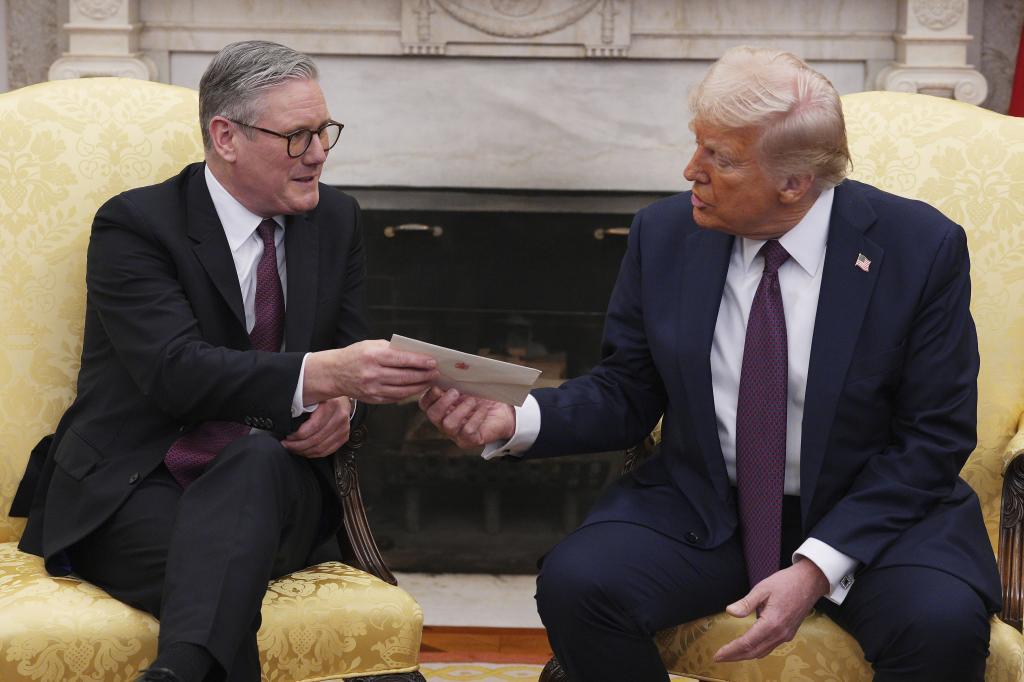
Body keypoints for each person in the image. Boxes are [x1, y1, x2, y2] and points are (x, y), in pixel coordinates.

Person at [420, 46, 1002, 681]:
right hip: (709, 506)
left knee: (942, 624)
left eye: (720, 159)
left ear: (794, 180)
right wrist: (515, 420)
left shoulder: (918, 248)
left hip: (876, 514)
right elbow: (626, 391)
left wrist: (816, 567)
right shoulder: (665, 235)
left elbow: (933, 438)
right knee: (578, 583)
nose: (690, 170)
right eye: (698, 145)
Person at [9, 40, 438, 682]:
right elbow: (174, 370)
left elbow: (350, 350)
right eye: (297, 136)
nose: (318, 153)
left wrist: (345, 404)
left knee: (255, 461)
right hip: (137, 482)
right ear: (226, 136)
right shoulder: (136, 225)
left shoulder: (337, 221)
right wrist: (325, 376)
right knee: (218, 587)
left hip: (280, 483)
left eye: (324, 132)